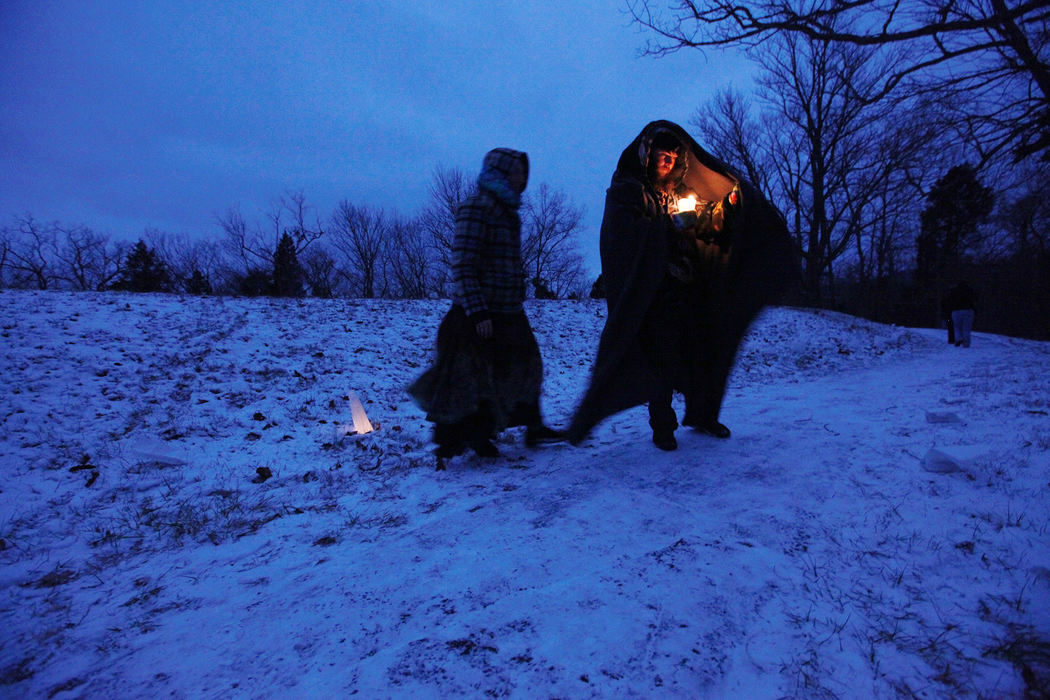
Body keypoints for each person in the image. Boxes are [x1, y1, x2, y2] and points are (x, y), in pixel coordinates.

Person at [567, 120, 798, 450]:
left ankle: (703, 415)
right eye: (663, 155)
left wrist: (725, 209)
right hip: (652, 296)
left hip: (685, 291)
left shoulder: (675, 195)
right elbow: (627, 238)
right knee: (659, 360)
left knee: (703, 351)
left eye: (675, 158)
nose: (669, 162)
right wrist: (671, 225)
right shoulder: (627, 191)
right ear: (647, 155)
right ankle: (663, 426)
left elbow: (701, 225)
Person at [408, 147, 563, 460]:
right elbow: (463, 263)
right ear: (503, 173)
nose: (524, 177)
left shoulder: (508, 210)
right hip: (480, 313)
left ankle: (533, 426)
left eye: (524, 171)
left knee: (528, 367)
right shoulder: (477, 207)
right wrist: (477, 310)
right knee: (473, 380)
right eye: (518, 171)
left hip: (509, 310)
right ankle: (468, 440)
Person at [947, 280, 977, 347]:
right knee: (966, 328)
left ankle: (958, 338)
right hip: (968, 310)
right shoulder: (970, 290)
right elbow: (975, 299)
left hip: (956, 311)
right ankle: (966, 344)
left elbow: (949, 300)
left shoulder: (953, 291)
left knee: (957, 327)